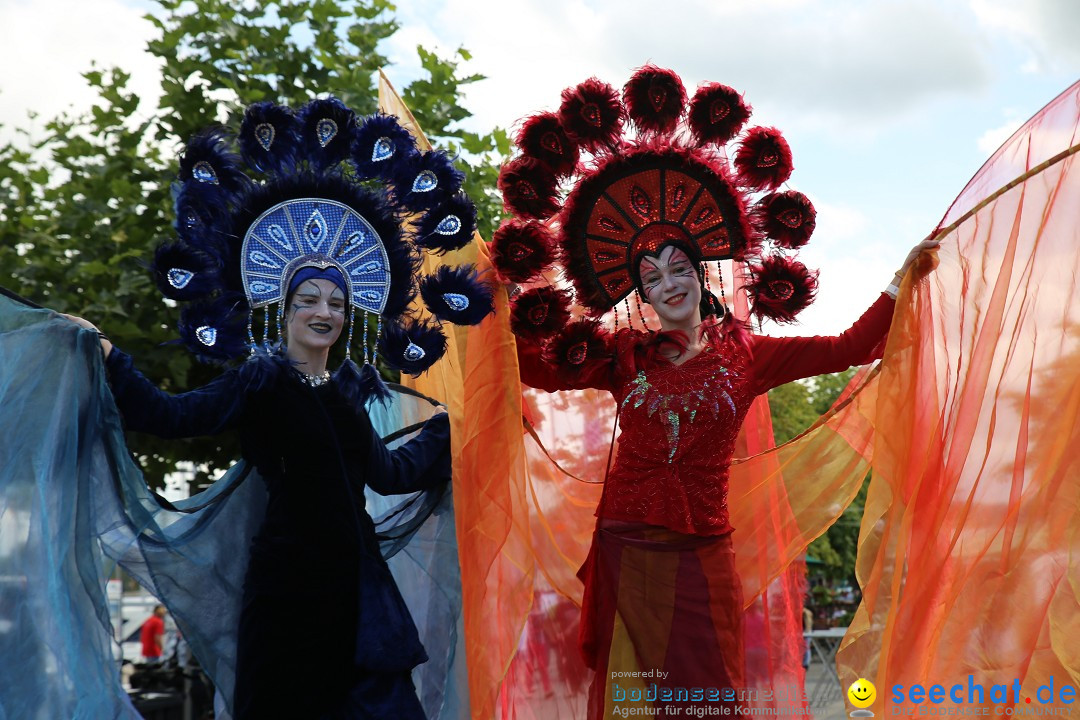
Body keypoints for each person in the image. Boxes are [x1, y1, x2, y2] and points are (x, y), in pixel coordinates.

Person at [492, 66, 938, 717]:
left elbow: (848, 348)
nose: (666, 281)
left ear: (701, 274)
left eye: (677, 266)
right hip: (626, 541)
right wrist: (504, 299)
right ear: (638, 293)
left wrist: (900, 283)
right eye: (650, 275)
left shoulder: (749, 355)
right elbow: (538, 370)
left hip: (703, 548)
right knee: (630, 699)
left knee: (707, 696)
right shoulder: (622, 355)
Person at [59, 97, 491, 719]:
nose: (324, 312)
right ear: (281, 309)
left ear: (350, 316)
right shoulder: (257, 383)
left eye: (338, 304)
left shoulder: (347, 393)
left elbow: (387, 474)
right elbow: (171, 417)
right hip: (290, 598)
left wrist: (460, 425)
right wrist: (107, 356)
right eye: (309, 298)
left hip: (361, 598)